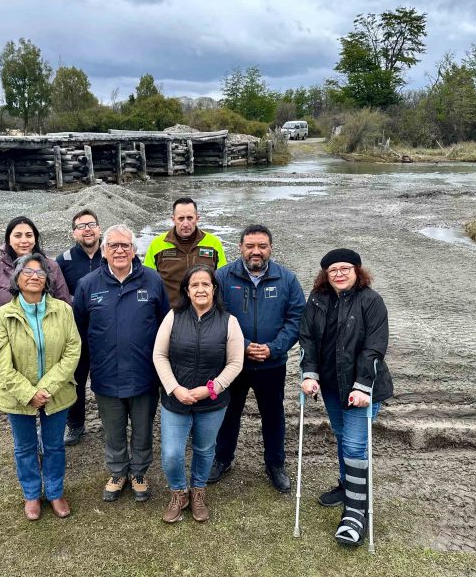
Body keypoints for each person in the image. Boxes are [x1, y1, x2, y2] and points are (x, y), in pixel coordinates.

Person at [298, 248, 394, 547]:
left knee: (354, 444)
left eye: (345, 268)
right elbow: (307, 338)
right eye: (333, 270)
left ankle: (355, 512)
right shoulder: (317, 299)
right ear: (325, 275)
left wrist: (362, 386)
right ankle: (348, 485)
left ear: (357, 271)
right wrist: (309, 373)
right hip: (329, 385)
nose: (339, 274)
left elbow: (374, 347)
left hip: (361, 388)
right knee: (342, 437)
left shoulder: (371, 301)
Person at [72, 224, 169, 503]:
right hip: (105, 375)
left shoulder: (152, 281)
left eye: (125, 245)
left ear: (134, 250)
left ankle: (138, 472)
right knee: (113, 429)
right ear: (104, 250)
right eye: (113, 245)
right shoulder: (88, 285)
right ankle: (117, 472)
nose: (119, 250)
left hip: (144, 375)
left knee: (142, 429)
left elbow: (166, 326)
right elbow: (78, 331)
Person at [208, 224, 306, 493]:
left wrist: (274, 348)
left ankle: (275, 464)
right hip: (232, 362)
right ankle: (222, 458)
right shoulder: (222, 277)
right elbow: (216, 315)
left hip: (271, 363)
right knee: (229, 413)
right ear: (239, 247)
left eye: (262, 246)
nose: (256, 251)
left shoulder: (287, 279)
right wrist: (245, 345)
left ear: (270, 248)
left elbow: (296, 319)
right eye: (250, 246)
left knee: (273, 414)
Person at [0, 254, 81, 521]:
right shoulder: (3, 315)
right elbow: (1, 363)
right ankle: (31, 494)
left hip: (57, 392)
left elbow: (72, 351)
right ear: (17, 278)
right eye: (27, 272)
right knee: (25, 447)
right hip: (17, 397)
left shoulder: (63, 310)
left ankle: (54, 492)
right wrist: (29, 394)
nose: (34, 277)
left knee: (54, 446)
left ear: (47, 280)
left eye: (40, 273)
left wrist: (46, 389)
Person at [153, 265, 244, 523]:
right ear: (187, 290)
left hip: (212, 402)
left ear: (214, 289)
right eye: (195, 285)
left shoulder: (230, 322)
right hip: (176, 400)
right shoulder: (173, 317)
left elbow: (235, 363)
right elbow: (159, 355)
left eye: (206, 284)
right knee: (171, 453)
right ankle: (179, 492)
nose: (201, 289)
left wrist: (211, 388)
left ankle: (198, 491)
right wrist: (175, 388)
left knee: (205, 449)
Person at [0, 216, 71, 364]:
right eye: (17, 235)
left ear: (35, 238)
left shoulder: (51, 267)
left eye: (29, 235)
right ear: (8, 239)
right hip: (10, 348)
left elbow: (65, 307)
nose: (24, 240)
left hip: (49, 346)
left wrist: (66, 349)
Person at [55, 209, 103, 446]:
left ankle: (109, 419)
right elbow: (55, 296)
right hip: (75, 333)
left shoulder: (113, 252)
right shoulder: (63, 261)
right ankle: (75, 424)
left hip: (107, 331)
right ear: (74, 233)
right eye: (81, 226)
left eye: (92, 224)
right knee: (75, 379)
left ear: (99, 229)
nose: (87, 229)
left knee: (105, 377)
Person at [143, 197, 227, 306]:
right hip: (170, 313)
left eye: (190, 218)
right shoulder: (157, 245)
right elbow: (148, 280)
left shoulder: (213, 243)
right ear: (173, 219)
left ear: (197, 218)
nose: (186, 223)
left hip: (205, 312)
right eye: (181, 218)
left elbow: (222, 280)